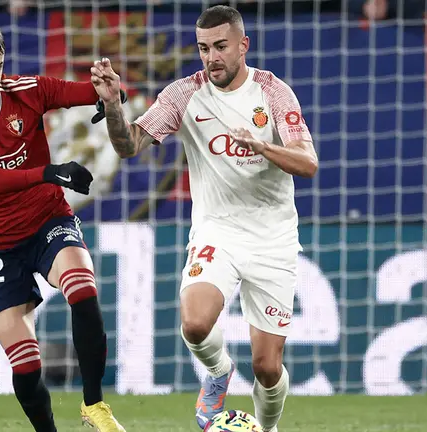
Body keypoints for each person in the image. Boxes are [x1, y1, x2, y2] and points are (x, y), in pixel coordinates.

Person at [91, 6, 318, 432]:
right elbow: (129, 145)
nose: (211, 57)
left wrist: (262, 146)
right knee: (195, 323)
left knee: (268, 369)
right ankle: (217, 373)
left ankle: (265, 430)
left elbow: (308, 163)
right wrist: (112, 105)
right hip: (218, 230)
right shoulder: (184, 94)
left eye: (220, 47)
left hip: (273, 240)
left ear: (242, 46)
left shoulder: (272, 92)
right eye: (203, 48)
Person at [0, 22, 125, 432]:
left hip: (45, 220)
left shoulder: (25, 90)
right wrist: (52, 172)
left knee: (82, 286)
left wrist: (108, 90)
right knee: (25, 364)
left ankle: (95, 405)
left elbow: (79, 92)